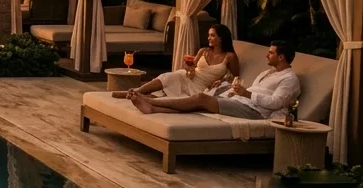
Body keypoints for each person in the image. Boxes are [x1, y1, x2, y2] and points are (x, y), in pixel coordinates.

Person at [129, 41, 300, 120]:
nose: (267, 54)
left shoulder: (289, 79)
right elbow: (253, 90)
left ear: (281, 57)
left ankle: (150, 100)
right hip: (241, 101)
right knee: (198, 105)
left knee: (201, 99)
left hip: (255, 111)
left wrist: (246, 93)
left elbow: (277, 102)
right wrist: (230, 87)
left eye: (271, 53)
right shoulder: (268, 72)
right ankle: (152, 107)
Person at [115, 25, 239, 100]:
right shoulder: (203, 51)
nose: (208, 38)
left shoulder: (230, 57)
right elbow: (191, 68)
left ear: (221, 38)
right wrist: (189, 67)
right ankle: (136, 91)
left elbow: (236, 76)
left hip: (202, 87)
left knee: (169, 95)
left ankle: (136, 96)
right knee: (169, 77)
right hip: (189, 77)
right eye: (208, 35)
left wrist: (222, 81)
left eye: (212, 35)